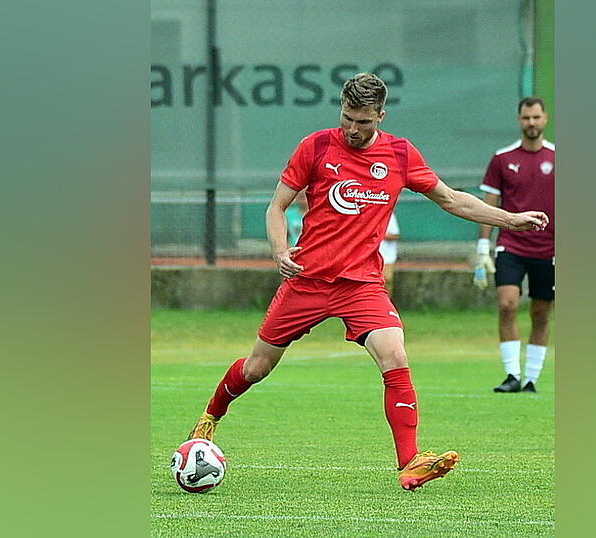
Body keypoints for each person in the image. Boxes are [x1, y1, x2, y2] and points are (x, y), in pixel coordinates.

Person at [188, 74, 549, 491]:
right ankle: (210, 418)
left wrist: (510, 220)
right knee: (256, 368)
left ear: (381, 114)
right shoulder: (317, 146)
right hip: (306, 280)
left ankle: (410, 462)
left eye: (363, 121)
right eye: (347, 118)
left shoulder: (399, 153)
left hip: (361, 283)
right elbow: (277, 206)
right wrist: (279, 251)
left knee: (394, 354)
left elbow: (451, 199)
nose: (353, 129)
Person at [473, 97, 555, 394]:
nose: (531, 123)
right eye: (525, 118)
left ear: (545, 118)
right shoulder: (503, 159)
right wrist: (484, 245)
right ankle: (511, 375)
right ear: (519, 120)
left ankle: (532, 378)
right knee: (507, 303)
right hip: (512, 245)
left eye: (536, 117)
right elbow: (488, 206)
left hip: (549, 249)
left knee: (541, 313)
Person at [379, 212, 400, 295]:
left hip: (387, 255)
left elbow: (395, 235)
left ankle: (387, 302)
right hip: (370, 255)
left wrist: (378, 234)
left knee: (387, 279)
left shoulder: (390, 216)